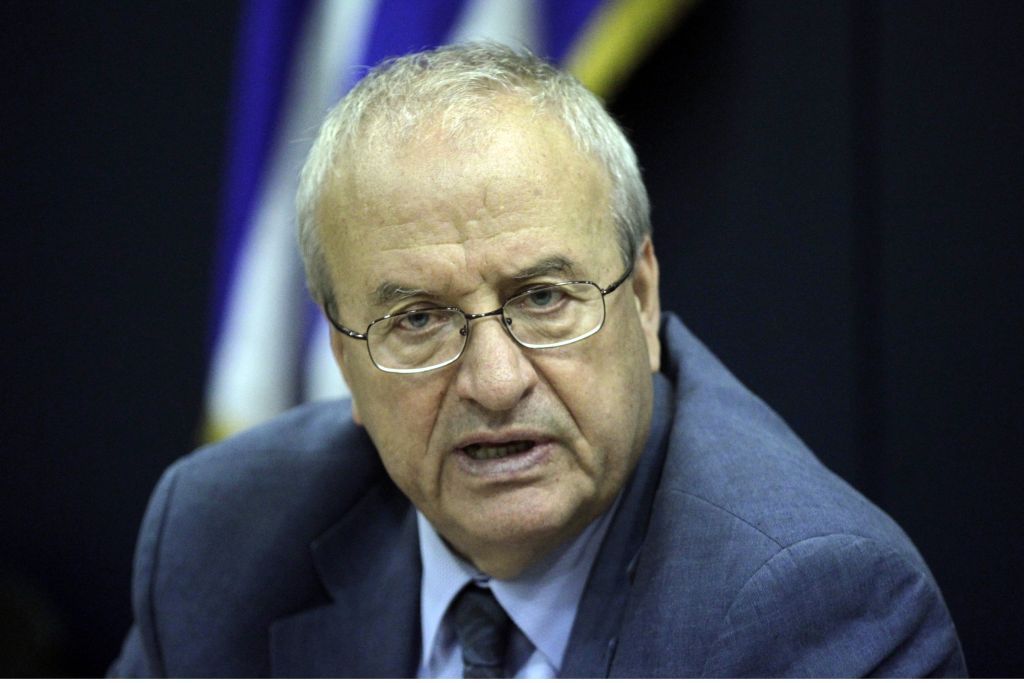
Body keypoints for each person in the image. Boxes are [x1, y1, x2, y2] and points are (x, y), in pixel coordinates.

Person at [109, 43, 965, 677]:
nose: (495, 381)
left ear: (641, 298)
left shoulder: (811, 602)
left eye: (544, 298)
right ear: (343, 356)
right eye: (418, 319)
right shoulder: (221, 539)